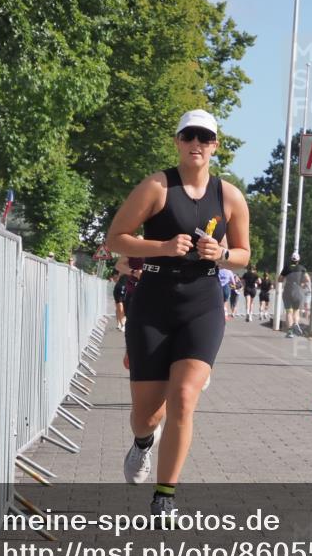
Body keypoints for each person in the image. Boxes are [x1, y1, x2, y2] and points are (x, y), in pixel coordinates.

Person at [106, 109, 250, 520]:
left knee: (184, 397)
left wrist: (221, 253)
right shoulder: (157, 186)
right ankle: (142, 443)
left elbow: (243, 255)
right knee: (146, 416)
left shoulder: (230, 196)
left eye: (205, 138)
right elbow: (116, 239)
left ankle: (164, 496)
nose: (196, 144)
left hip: (202, 303)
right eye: (189, 136)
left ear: (215, 146)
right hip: (153, 302)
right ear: (177, 141)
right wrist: (164, 247)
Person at [279, 253, 310, 338]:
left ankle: (290, 332)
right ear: (298, 260)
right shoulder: (302, 268)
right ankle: (296, 323)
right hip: (298, 290)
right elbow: (308, 279)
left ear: (291, 259)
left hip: (288, 290)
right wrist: (302, 283)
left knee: (289, 312)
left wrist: (285, 279)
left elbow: (280, 279)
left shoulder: (286, 268)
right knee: (296, 311)